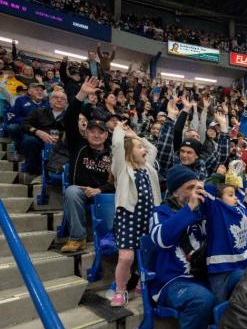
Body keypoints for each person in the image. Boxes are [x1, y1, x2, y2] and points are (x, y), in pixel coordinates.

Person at [150, 165, 213, 329]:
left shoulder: (203, 210)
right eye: (189, 188)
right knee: (201, 299)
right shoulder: (160, 212)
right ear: (176, 192)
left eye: (197, 187)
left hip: (203, 276)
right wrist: (189, 209)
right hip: (173, 281)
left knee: (241, 282)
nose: (195, 192)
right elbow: (161, 239)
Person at [61, 77, 115, 253]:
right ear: (86, 131)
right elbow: (69, 119)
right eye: (92, 131)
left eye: (101, 132)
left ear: (107, 136)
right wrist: (82, 93)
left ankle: (114, 238)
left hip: (103, 192)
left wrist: (100, 190)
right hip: (81, 190)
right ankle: (78, 238)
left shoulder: (112, 153)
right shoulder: (78, 143)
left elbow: (116, 181)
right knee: (71, 191)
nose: (96, 134)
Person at [110, 123, 161, 306]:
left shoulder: (148, 167)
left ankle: (141, 282)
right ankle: (120, 290)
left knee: (149, 254)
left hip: (147, 218)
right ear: (129, 152)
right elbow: (117, 145)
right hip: (127, 218)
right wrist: (119, 128)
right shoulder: (122, 168)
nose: (143, 149)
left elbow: (152, 147)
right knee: (126, 257)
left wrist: (136, 136)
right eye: (139, 147)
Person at [20, 89, 67, 177]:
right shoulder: (38, 111)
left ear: (66, 103)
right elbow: (24, 124)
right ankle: (35, 172)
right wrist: (38, 132)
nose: (59, 100)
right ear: (49, 100)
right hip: (40, 140)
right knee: (29, 140)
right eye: (55, 97)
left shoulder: (70, 116)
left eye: (62, 98)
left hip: (62, 144)